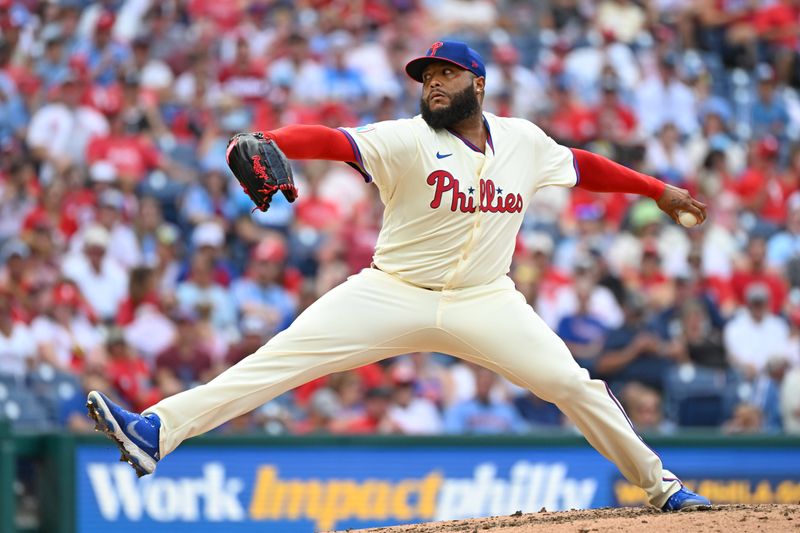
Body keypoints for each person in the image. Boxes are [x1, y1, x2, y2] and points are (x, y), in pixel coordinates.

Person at [87, 40, 711, 512]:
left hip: (486, 300)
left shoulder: (522, 141)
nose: (433, 84)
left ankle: (662, 490)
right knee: (277, 361)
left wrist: (656, 190)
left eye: (446, 74)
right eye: (426, 77)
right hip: (390, 292)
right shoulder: (406, 140)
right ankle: (156, 430)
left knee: (574, 386)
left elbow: (581, 164)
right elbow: (334, 142)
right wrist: (265, 138)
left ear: (479, 84)